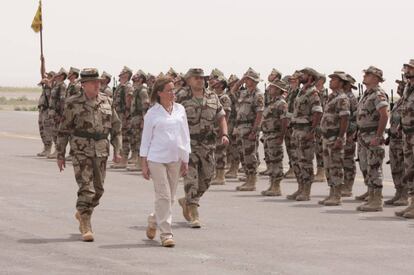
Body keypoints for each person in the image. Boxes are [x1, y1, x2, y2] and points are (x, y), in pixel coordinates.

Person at [56, 68, 122, 241]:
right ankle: (86, 222)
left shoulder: (107, 101)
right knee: (87, 188)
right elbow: (64, 129)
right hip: (81, 149)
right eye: (93, 82)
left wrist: (118, 149)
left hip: (101, 150)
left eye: (98, 82)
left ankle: (82, 211)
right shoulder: (73, 102)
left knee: (98, 190)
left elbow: (116, 127)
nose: (97, 85)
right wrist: (60, 153)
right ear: (84, 85)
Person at [140, 77, 190, 247]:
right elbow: (145, 139)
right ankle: (166, 234)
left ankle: (154, 220)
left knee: (171, 199)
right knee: (163, 195)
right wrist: (144, 163)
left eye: (173, 90)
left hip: (175, 158)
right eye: (168, 90)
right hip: (156, 159)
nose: (172, 93)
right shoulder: (152, 113)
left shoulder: (180, 109)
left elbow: (185, 135)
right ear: (159, 93)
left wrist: (185, 158)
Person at [176, 68, 229, 228]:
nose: (200, 80)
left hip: (208, 144)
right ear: (189, 80)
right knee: (191, 179)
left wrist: (224, 134)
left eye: (202, 78)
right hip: (188, 144)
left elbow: (221, 117)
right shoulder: (180, 96)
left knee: (207, 177)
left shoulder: (212, 96)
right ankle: (194, 212)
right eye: (196, 78)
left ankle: (187, 200)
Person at [355, 66, 388, 212]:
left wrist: (379, 136)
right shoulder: (367, 94)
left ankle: (377, 201)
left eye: (368, 74)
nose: (365, 76)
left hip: (372, 136)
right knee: (365, 167)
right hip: (364, 136)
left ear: (375, 78)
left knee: (374, 168)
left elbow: (384, 115)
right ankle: (371, 194)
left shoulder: (378, 94)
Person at [287, 67, 323, 201]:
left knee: (305, 162)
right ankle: (300, 188)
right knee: (296, 161)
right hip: (296, 130)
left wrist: (312, 131)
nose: (301, 75)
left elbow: (318, 112)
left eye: (304, 74)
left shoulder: (313, 93)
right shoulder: (301, 92)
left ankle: (306, 191)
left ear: (310, 77)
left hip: (305, 131)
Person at [318, 71, 350, 206]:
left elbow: (345, 118)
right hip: (326, 137)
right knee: (328, 167)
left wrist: (340, 137)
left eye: (334, 80)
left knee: (336, 166)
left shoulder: (342, 98)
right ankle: (331, 192)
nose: (330, 81)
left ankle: (337, 195)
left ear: (341, 83)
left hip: (335, 136)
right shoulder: (331, 97)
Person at [230, 68, 264, 191]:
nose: (246, 81)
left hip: (249, 127)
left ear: (254, 81)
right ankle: (248, 178)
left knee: (250, 155)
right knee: (243, 155)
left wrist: (255, 131)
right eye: (246, 79)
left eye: (248, 79)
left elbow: (259, 114)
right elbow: (233, 91)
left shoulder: (258, 94)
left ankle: (252, 181)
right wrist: (241, 81)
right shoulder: (244, 93)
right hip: (240, 128)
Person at [260, 80, 288, 196]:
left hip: (275, 135)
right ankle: (272, 185)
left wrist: (281, 136)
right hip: (268, 135)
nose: (269, 89)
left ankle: (276, 187)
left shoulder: (281, 103)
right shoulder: (271, 102)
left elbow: (284, 121)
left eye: (272, 87)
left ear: (278, 90)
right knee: (271, 162)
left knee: (276, 161)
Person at [396, 59, 414, 218]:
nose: (406, 70)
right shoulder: (408, 88)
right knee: (409, 170)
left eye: (409, 68)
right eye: (406, 68)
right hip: (407, 134)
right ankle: (412, 203)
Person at [110, 66, 134, 169]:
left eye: (122, 72)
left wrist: (126, 115)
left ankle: (124, 160)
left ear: (127, 74)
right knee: (118, 136)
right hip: (118, 114)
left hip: (123, 115)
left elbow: (128, 102)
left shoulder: (128, 86)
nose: (120, 73)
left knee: (124, 137)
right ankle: (119, 157)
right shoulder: (121, 85)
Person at [37, 71, 55, 157]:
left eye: (49, 76)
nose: (47, 77)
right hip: (42, 110)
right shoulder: (46, 86)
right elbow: (42, 73)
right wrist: (42, 62)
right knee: (42, 130)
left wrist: (48, 82)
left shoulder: (53, 86)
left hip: (48, 111)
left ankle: (48, 149)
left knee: (48, 130)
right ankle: (45, 148)